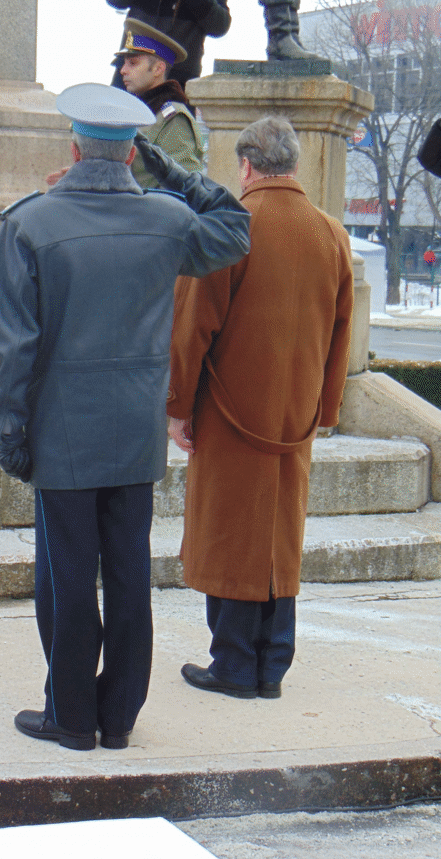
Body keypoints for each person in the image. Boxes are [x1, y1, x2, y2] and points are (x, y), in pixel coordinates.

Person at [0, 83, 251, 751]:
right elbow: (235, 226)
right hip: (134, 430)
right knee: (129, 575)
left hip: (62, 432)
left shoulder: (29, 224)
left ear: (72, 149)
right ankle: (120, 715)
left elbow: (11, 346)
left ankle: (70, 715)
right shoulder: (166, 220)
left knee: (67, 577)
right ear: (132, 154)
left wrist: (7, 429)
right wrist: (171, 168)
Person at [166, 115, 353, 699]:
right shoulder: (332, 234)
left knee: (229, 533)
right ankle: (272, 664)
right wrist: (324, 410)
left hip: (229, 411)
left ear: (245, 167)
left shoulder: (232, 229)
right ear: (292, 165)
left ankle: (232, 664)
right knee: (278, 536)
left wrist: (177, 407)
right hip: (294, 416)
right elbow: (341, 336)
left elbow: (192, 328)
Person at [115, 18, 206, 189]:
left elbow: (182, 188)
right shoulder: (137, 113)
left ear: (158, 69)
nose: (123, 70)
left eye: (133, 63)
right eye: (124, 63)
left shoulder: (173, 118)